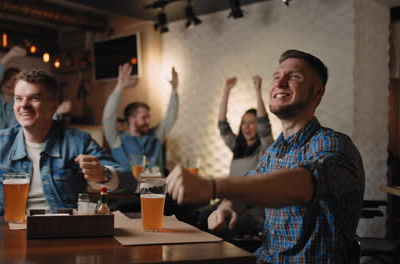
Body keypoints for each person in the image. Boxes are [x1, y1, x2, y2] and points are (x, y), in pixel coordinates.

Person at [166, 50, 365, 263]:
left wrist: (212, 186)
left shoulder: (333, 144)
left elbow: (303, 184)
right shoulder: (274, 151)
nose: (280, 84)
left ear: (317, 92)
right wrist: (228, 206)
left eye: (294, 76)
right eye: (277, 77)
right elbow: (246, 184)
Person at [0, 69, 133, 216]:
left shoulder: (78, 142)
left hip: (62, 232)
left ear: (53, 106)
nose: (24, 106)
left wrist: (104, 174)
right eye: (18, 99)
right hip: (3, 230)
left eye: (34, 98)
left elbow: (128, 182)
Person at [203, 74, 274, 236]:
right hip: (229, 202)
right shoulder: (237, 146)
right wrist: (226, 90)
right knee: (199, 216)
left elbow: (264, 126)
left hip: (254, 208)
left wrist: (258, 91)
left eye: (252, 122)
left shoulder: (266, 148)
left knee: (224, 226)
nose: (247, 127)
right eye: (244, 122)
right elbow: (222, 124)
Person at [0, 46, 72, 142]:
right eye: (7, 78)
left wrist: (58, 112)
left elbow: (36, 122)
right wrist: (10, 55)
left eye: (14, 80)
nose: (10, 82)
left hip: (3, 150)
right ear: (0, 81)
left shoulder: (20, 106)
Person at [102, 63, 179, 178]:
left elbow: (171, 117)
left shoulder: (155, 137)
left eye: (148, 117)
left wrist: (174, 90)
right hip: (129, 193)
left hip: (156, 190)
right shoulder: (117, 140)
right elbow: (108, 119)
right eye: (144, 118)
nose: (148, 121)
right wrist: (119, 87)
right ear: (131, 119)